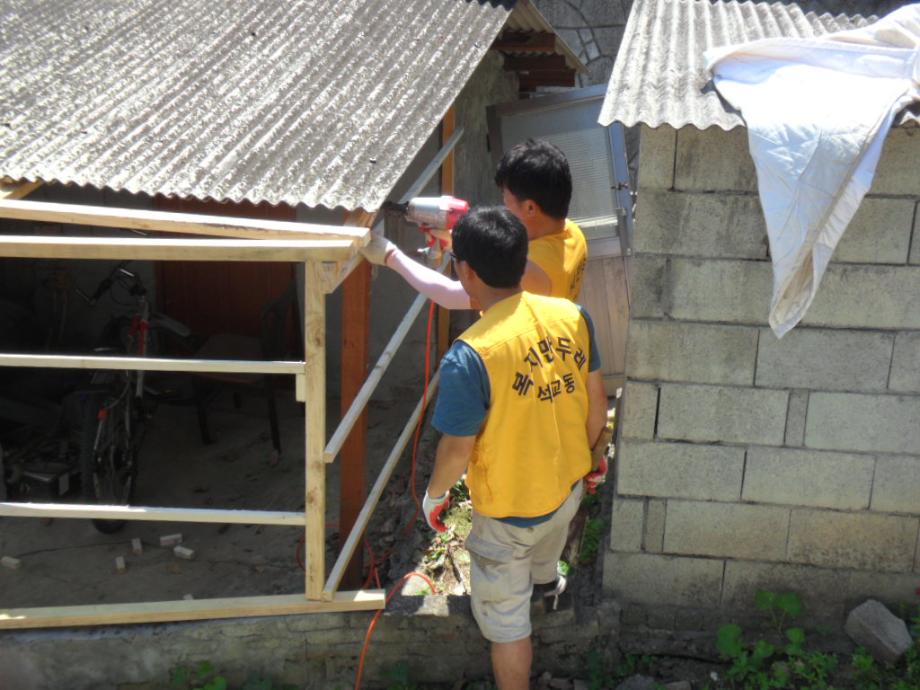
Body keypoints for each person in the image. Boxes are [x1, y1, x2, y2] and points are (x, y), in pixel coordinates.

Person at [420, 206, 608, 690]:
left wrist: (436, 497)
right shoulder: (572, 316)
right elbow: (596, 402)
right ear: (522, 259)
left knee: (506, 628)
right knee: (548, 549)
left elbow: (457, 450)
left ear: (466, 271)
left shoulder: (471, 354)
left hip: (509, 515)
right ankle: (549, 587)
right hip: (566, 488)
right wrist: (593, 459)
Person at [361, 139, 587, 306]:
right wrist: (456, 241)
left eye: (506, 200)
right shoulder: (572, 233)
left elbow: (451, 295)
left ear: (530, 207)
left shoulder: (528, 273)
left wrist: (391, 256)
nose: (503, 206)